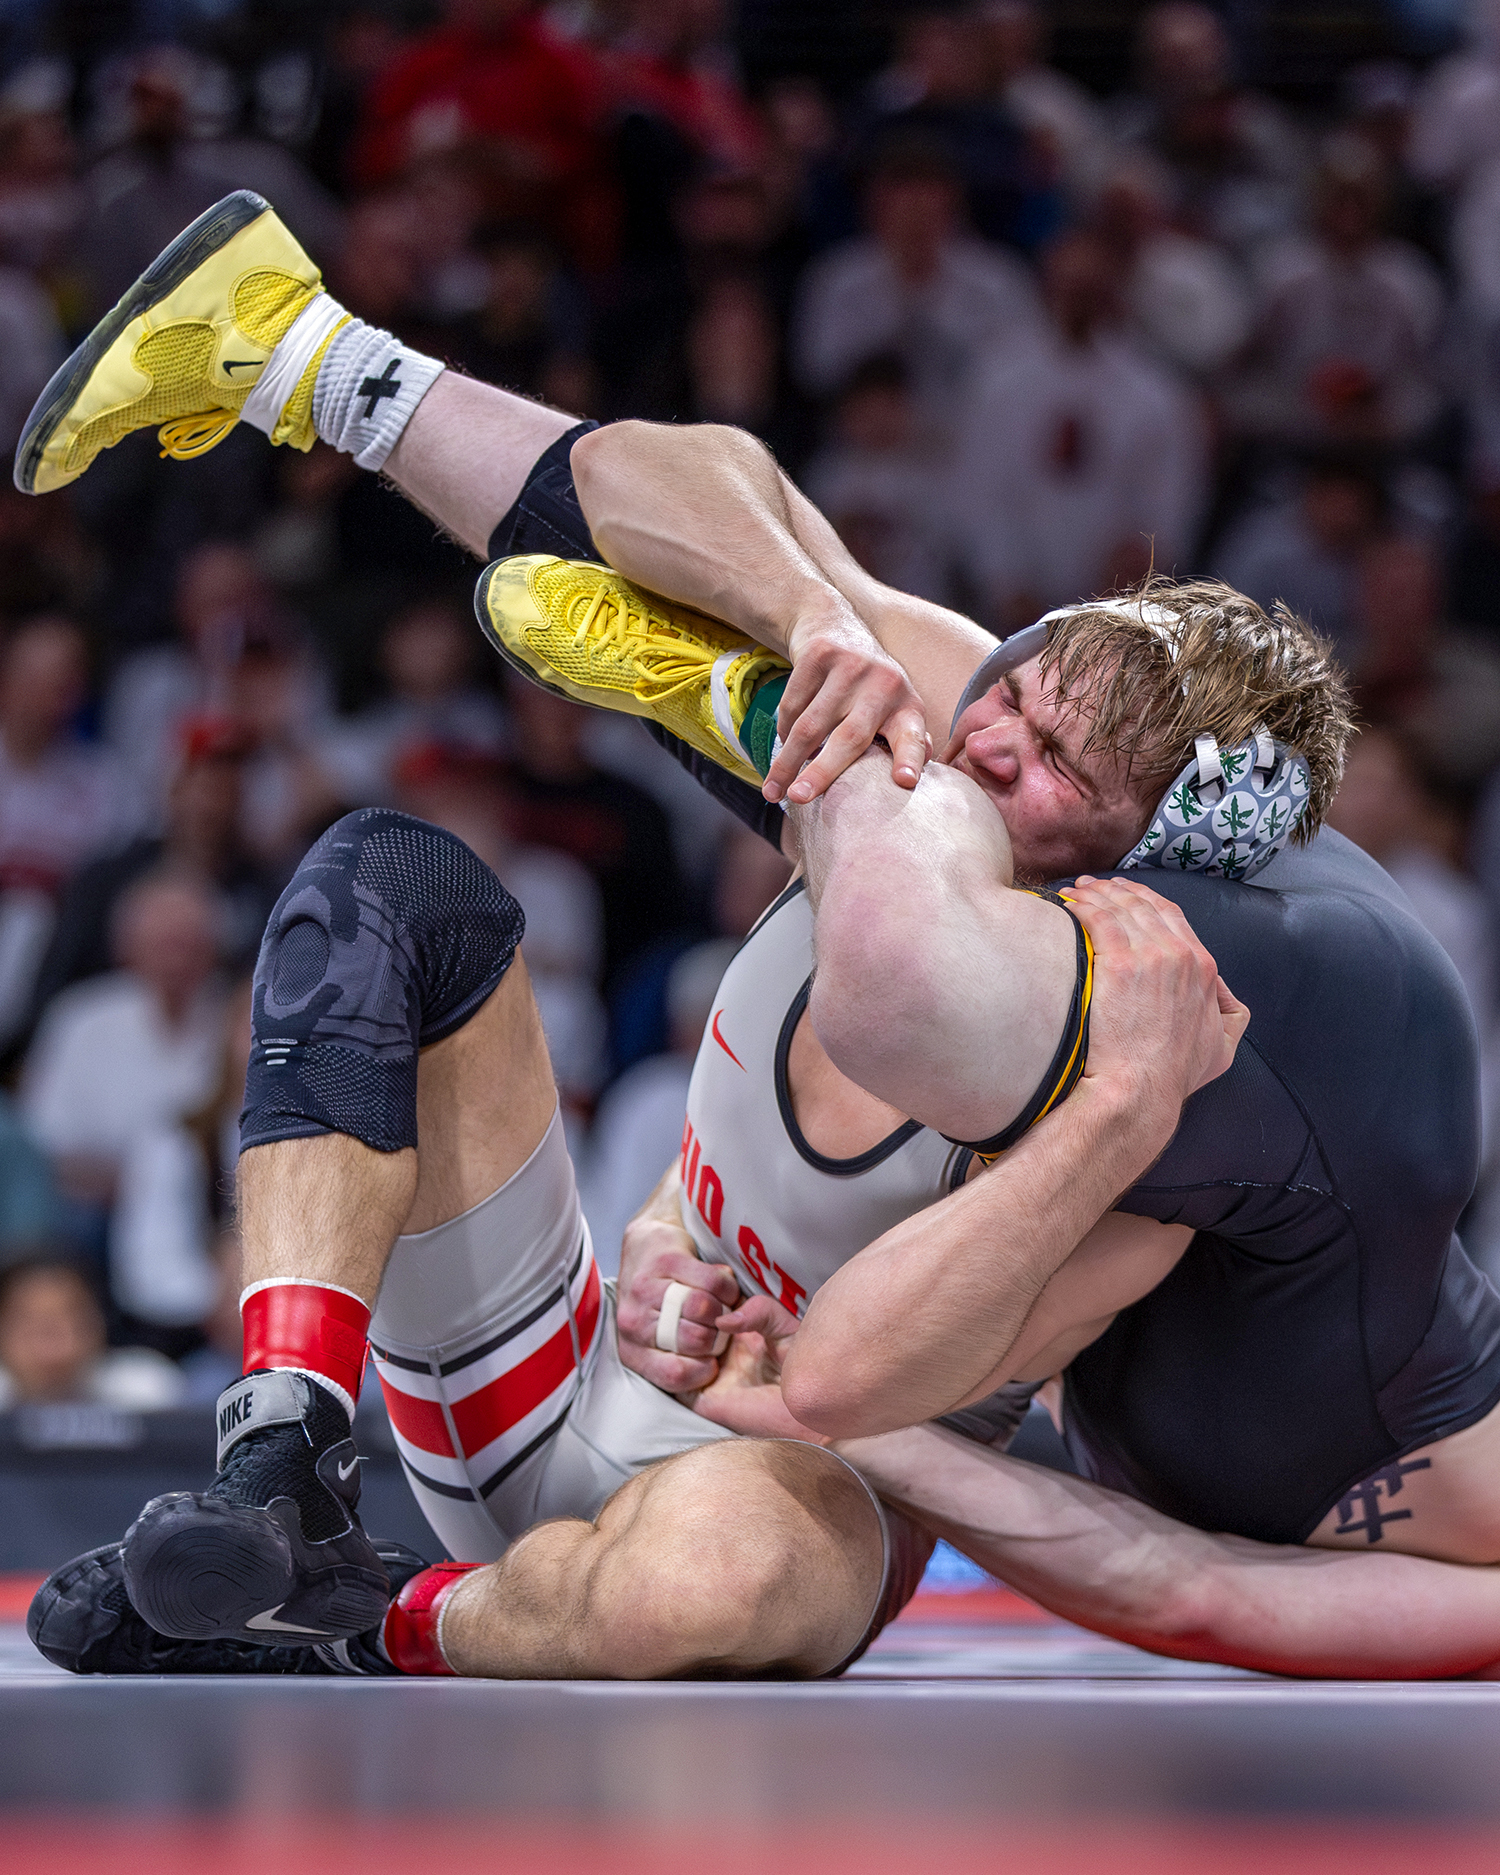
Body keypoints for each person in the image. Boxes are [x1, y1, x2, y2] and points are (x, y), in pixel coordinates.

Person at [18, 193, 1500, 1685]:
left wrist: (1106, 1112)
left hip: (789, 1475)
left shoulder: (1126, 1068)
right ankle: (277, 1462)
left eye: (1062, 769)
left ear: (1142, 859)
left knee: (709, 1585)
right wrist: (810, 618)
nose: (997, 747)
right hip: (570, 1355)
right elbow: (695, 473)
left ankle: (351, 1616)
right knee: (388, 881)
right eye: (1014, 702)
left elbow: (883, 1403)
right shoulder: (945, 737)